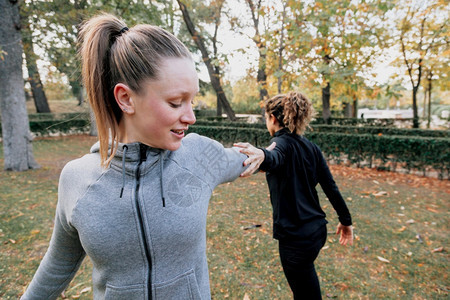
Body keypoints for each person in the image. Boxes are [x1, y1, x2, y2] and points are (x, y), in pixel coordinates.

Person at [21, 13, 261, 300]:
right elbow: (58, 265)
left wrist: (265, 154)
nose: (191, 116)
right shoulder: (77, 179)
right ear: (125, 98)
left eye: (192, 101)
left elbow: (242, 159)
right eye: (176, 102)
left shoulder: (198, 154)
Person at [235, 91, 353, 300]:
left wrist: (263, 155)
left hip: (296, 240)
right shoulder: (312, 148)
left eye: (266, 118)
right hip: (317, 231)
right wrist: (346, 221)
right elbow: (330, 187)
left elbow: (274, 155)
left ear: (273, 118)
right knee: (305, 288)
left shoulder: (279, 144)